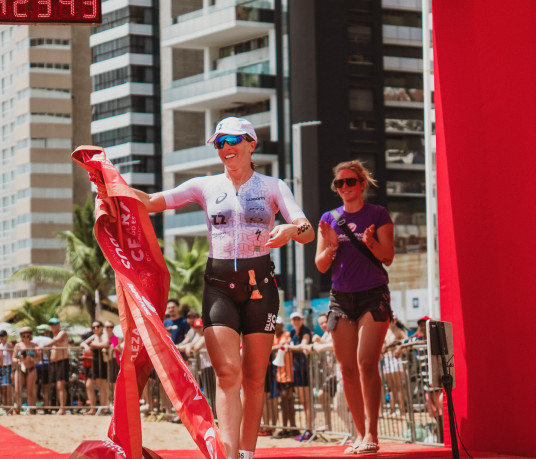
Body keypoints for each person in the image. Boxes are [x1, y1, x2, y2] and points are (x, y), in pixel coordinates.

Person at [98, 117, 314, 459]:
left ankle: (246, 454)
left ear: (251, 143)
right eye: (219, 143)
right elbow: (154, 201)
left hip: (261, 286)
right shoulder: (205, 186)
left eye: (231, 140)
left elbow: (307, 229)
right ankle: (227, 456)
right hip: (218, 288)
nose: (225, 148)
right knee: (228, 374)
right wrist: (113, 188)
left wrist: (290, 230)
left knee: (255, 378)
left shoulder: (273, 186)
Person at [315, 160, 395, 455]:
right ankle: (359, 434)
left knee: (365, 363)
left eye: (350, 181)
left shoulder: (378, 214)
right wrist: (332, 246)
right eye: (340, 183)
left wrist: (372, 242)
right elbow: (321, 265)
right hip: (340, 298)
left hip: (373, 296)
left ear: (362, 184)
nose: (345, 187)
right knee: (347, 369)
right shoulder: (328, 218)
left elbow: (388, 257)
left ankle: (373, 433)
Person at [287, 311, 312, 440]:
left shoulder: (305, 330)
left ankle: (309, 429)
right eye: (294, 319)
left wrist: (290, 347)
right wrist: (291, 346)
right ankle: (308, 429)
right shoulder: (292, 332)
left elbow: (303, 345)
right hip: (296, 368)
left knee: (307, 402)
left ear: (302, 320)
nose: (296, 321)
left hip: (305, 368)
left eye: (298, 319)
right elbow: (292, 345)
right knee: (303, 401)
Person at [42, 318, 70, 415]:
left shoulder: (62, 333)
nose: (53, 326)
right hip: (54, 363)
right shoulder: (53, 336)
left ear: (58, 324)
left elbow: (56, 341)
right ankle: (60, 407)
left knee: (60, 386)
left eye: (55, 324)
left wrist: (43, 346)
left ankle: (62, 408)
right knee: (55, 386)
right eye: (51, 325)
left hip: (62, 362)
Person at [81, 321, 109, 415]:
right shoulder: (94, 336)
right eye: (93, 327)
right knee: (89, 385)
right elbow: (83, 343)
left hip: (102, 363)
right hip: (94, 363)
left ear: (101, 327)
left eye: (97, 326)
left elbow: (105, 344)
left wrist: (92, 345)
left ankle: (103, 409)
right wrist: (86, 346)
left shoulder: (104, 335)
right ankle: (93, 409)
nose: (95, 328)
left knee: (102, 386)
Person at [13, 326, 40, 414]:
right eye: (23, 336)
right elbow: (13, 358)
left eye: (27, 336)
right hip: (20, 369)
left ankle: (32, 410)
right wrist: (19, 360)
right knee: (17, 390)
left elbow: (39, 359)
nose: (26, 338)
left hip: (31, 369)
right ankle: (18, 409)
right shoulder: (17, 346)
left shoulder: (34, 345)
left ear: (30, 336)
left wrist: (31, 359)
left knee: (30, 390)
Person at [0, 330, 14, 410]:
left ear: (6, 336)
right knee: (3, 389)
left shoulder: (9, 345)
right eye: (0, 336)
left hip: (8, 367)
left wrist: (13, 370)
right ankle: (5, 407)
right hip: (1, 368)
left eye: (2, 336)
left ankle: (10, 407)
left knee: (8, 389)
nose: (1, 338)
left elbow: (13, 357)